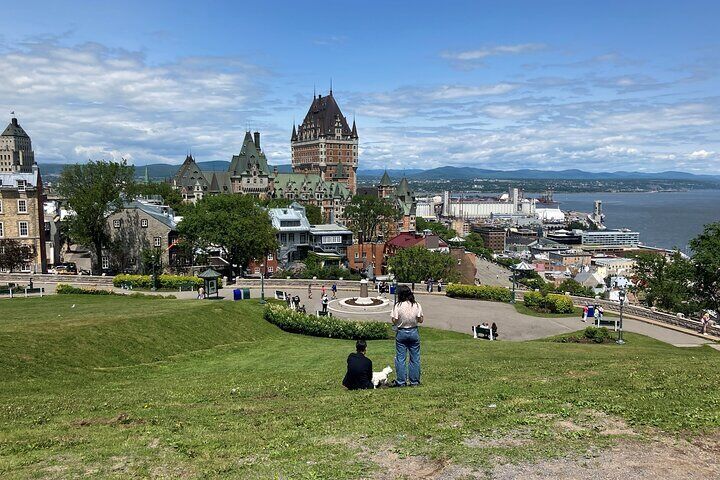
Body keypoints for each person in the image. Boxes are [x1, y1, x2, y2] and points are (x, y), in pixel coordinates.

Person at [391, 285, 423, 387]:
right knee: (415, 358)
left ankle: (401, 381)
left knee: (401, 358)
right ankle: (414, 381)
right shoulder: (416, 305)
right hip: (413, 331)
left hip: (401, 332)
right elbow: (421, 320)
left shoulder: (398, 306)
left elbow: (394, 320)